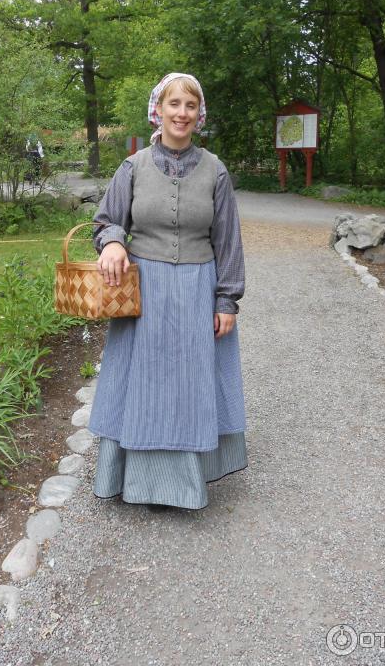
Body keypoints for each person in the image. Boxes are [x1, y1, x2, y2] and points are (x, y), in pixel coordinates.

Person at [88, 72, 247, 511]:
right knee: (143, 385)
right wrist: (115, 241)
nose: (182, 114)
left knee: (190, 386)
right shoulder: (133, 167)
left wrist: (226, 299)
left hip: (197, 290)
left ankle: (186, 483)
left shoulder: (215, 171)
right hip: (145, 294)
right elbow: (105, 220)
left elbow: (228, 240)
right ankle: (134, 480)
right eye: (174, 104)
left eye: (190, 106)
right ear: (157, 110)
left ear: (200, 114)